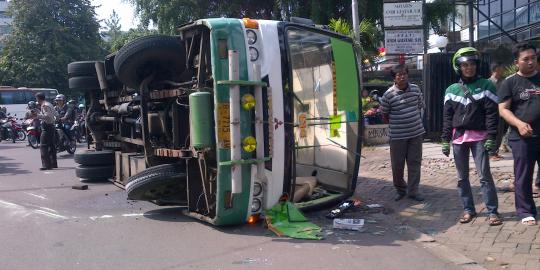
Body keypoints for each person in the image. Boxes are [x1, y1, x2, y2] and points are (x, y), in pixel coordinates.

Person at [441, 47, 502, 226]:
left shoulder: (486, 85)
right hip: (459, 138)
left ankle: (492, 212)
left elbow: (492, 114)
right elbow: (447, 117)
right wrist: (445, 140)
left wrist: (492, 136)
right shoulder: (451, 90)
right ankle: (468, 209)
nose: (469, 68)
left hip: (481, 138)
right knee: (462, 178)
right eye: (465, 65)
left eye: (472, 64)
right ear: (458, 67)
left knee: (484, 175)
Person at [498, 43, 540, 226]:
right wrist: (520, 124)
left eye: (533, 58)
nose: (531, 62)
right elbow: (503, 109)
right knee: (523, 175)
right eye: (526, 59)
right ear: (517, 62)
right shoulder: (510, 82)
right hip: (522, 137)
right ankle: (525, 211)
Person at [380, 64, 425, 202]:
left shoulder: (416, 89)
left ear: (407, 75)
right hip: (398, 137)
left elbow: (420, 106)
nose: (402, 77)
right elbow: (384, 114)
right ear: (394, 78)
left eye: (404, 74)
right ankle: (400, 189)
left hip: (416, 133)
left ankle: (413, 191)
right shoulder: (388, 94)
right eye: (399, 75)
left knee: (414, 163)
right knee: (397, 165)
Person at [488, 62, 507, 161]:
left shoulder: (503, 82)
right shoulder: (487, 82)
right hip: (490, 111)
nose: (503, 70)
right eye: (501, 68)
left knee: (500, 132)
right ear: (495, 69)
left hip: (501, 110)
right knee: (492, 131)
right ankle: (490, 153)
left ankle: (495, 152)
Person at [36, 92, 58, 170]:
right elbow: (56, 114)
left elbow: (47, 116)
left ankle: (46, 165)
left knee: (43, 146)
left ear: (38, 99)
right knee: (51, 145)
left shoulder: (45, 105)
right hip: (51, 126)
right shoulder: (49, 104)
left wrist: (37, 115)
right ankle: (53, 163)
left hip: (47, 126)